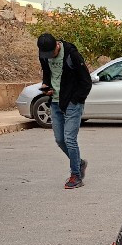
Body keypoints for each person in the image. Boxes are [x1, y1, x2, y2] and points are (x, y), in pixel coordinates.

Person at [37, 32, 92, 189]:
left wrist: (76, 100)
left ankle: (76, 175)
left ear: (57, 45)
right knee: (60, 140)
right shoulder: (44, 55)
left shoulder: (72, 55)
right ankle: (79, 163)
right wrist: (46, 88)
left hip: (72, 103)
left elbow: (86, 82)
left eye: (51, 53)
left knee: (69, 139)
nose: (49, 57)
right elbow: (47, 75)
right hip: (54, 103)